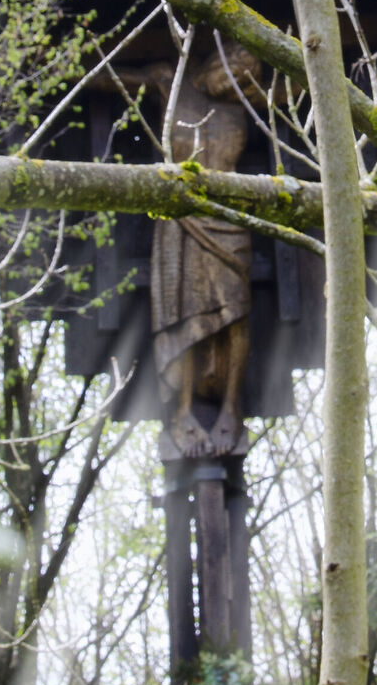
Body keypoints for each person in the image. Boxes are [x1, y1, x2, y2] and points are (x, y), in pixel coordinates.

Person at [114, 39, 268, 456]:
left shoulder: (246, 102)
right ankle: (182, 411)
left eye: (245, 76)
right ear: (215, 61)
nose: (236, 81)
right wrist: (69, 66)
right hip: (180, 217)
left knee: (237, 310)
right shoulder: (171, 80)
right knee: (184, 313)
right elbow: (117, 79)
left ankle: (231, 407)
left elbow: (302, 91)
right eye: (233, 70)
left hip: (229, 218)